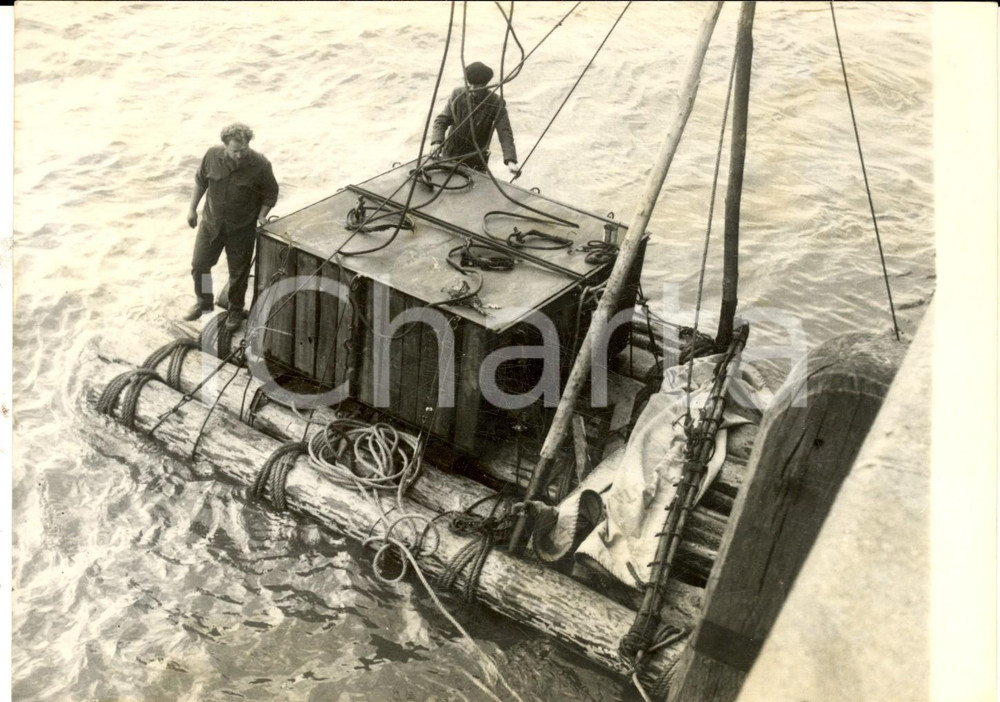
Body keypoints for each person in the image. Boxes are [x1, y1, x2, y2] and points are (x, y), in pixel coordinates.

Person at [185, 122, 279, 330]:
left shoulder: (261, 164)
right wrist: (192, 209)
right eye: (235, 151)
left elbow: (271, 193)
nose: (239, 155)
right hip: (211, 224)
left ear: (248, 143)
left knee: (238, 274)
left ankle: (235, 310)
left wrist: (262, 216)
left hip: (242, 229)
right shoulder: (211, 156)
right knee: (200, 265)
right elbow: (201, 182)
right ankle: (205, 301)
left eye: (243, 149)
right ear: (225, 145)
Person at [430, 61, 519, 175]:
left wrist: (510, 160)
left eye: (477, 85)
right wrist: (436, 143)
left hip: (476, 160)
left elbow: (505, 132)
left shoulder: (496, 102)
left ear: (486, 84)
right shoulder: (457, 94)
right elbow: (442, 120)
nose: (472, 88)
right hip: (450, 154)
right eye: (470, 83)